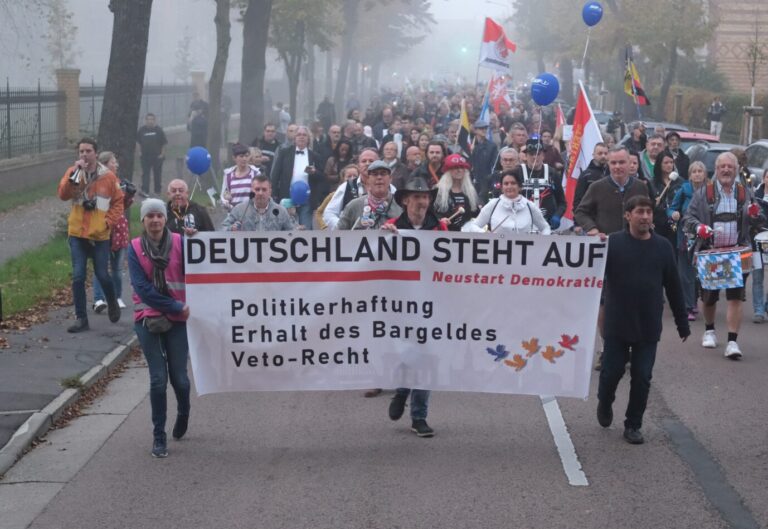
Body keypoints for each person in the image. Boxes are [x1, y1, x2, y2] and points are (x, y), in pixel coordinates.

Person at [596, 195, 690, 445]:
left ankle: (633, 424)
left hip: (648, 323)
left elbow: (673, 285)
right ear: (628, 215)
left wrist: (682, 321)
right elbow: (590, 279)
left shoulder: (662, 247)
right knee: (611, 372)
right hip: (617, 322)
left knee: (642, 375)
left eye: (648, 212)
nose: (645, 217)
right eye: (640, 212)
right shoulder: (613, 244)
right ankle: (604, 401)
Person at [683, 152, 764, 359]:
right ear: (716, 170)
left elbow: (759, 220)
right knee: (709, 296)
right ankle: (709, 330)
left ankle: (732, 342)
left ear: (736, 169)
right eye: (722, 167)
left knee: (736, 297)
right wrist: (699, 226)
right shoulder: (704, 192)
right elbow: (688, 217)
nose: (726, 170)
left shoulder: (745, 192)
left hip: (737, 253)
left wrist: (755, 214)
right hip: (711, 253)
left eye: (730, 166)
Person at [382, 177, 447, 438]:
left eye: (425, 197)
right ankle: (402, 390)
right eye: (416, 197)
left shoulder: (439, 229)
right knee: (406, 353)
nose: (421, 202)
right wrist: (387, 239)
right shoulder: (392, 227)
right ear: (406, 201)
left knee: (427, 356)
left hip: (430, 302)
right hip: (401, 303)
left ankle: (419, 416)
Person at [128, 198, 191, 458]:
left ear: (166, 219)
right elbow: (142, 289)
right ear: (143, 221)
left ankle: (184, 411)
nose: (154, 220)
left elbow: (199, 272)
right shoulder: (134, 248)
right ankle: (159, 436)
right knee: (157, 380)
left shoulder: (180, 243)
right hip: (148, 317)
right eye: (149, 216)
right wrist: (174, 306)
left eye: (159, 216)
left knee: (180, 379)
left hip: (178, 321)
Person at [57, 138, 124, 333]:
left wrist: (107, 222)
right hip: (77, 233)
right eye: (81, 152)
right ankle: (81, 318)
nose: (84, 155)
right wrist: (76, 172)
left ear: (96, 153)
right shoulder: (74, 172)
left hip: (99, 235)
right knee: (78, 276)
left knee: (102, 274)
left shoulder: (108, 177)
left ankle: (111, 301)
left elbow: (118, 202)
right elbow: (63, 194)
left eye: (88, 151)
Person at [92, 152, 135, 314]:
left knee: (117, 268)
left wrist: (129, 195)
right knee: (100, 267)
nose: (116, 165)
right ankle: (98, 299)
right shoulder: (98, 183)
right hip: (103, 230)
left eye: (116, 162)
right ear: (104, 164)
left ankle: (117, 297)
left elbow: (122, 207)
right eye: (113, 162)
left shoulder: (118, 182)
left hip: (120, 230)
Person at [667, 161, 708, 320]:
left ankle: (694, 300)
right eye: (694, 171)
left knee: (699, 274)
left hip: (704, 238)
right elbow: (671, 209)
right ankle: (687, 307)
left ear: (705, 174)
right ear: (690, 175)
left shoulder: (710, 191)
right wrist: (673, 215)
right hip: (685, 237)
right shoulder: (684, 190)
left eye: (700, 171)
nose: (697, 174)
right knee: (685, 274)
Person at [462, 170, 551, 235]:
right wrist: (485, 234)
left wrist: (540, 243)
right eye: (506, 183)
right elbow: (474, 226)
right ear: (501, 187)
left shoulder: (530, 206)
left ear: (520, 187)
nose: (509, 186)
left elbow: (545, 228)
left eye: (513, 183)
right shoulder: (493, 204)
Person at [270, 125, 323, 227]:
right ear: (294, 138)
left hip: (307, 199)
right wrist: (274, 195)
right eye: (299, 134)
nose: (301, 137)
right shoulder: (284, 153)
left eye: (304, 135)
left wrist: (314, 172)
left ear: (308, 139)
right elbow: (275, 175)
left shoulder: (315, 156)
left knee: (306, 229)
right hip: (287, 197)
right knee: (286, 228)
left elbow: (322, 177)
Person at [322, 148, 380, 230]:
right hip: (350, 240)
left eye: (371, 161)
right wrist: (342, 227)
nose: (367, 164)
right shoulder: (346, 186)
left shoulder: (388, 187)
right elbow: (329, 213)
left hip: (379, 238)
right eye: (364, 161)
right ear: (358, 165)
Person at [514, 137, 566, 230]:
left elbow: (562, 202)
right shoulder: (517, 172)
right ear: (526, 156)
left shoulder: (552, 173)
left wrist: (557, 216)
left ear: (543, 155)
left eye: (538, 154)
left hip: (547, 225)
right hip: (521, 226)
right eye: (531, 154)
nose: (535, 157)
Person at [336, 160, 402, 230]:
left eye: (383, 174)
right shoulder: (353, 206)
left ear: (390, 179)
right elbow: (336, 236)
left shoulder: (401, 205)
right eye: (374, 174)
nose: (379, 177)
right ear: (368, 180)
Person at [221, 175, 297, 231]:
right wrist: (231, 229)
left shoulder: (281, 211)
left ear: (270, 192)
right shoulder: (239, 209)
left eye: (264, 190)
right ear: (252, 191)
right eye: (257, 189)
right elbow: (222, 229)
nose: (260, 193)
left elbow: (291, 232)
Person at [431, 153, 480, 231]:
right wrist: (440, 220)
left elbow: (475, 214)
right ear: (448, 171)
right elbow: (430, 213)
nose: (459, 170)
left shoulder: (470, 192)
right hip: (445, 233)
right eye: (455, 167)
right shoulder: (438, 191)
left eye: (462, 167)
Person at [650, 151, 681, 252]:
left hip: (674, 225)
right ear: (659, 164)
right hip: (658, 224)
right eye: (666, 163)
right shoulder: (652, 183)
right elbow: (648, 204)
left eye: (671, 162)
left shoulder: (679, 182)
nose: (669, 165)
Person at [572, 142, 609, 214]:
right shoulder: (586, 175)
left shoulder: (612, 173)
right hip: (590, 216)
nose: (603, 156)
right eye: (600, 153)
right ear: (593, 155)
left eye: (605, 153)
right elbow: (578, 200)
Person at [136, 113, 168, 195]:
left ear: (154, 120)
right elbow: (138, 142)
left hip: (157, 157)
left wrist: (162, 154)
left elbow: (164, 143)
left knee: (157, 174)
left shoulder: (159, 130)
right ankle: (145, 190)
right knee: (145, 174)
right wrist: (139, 152)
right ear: (145, 120)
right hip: (145, 157)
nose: (150, 121)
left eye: (152, 119)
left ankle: (157, 190)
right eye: (148, 119)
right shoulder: (141, 130)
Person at [222, 143, 260, 210]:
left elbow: (260, 193)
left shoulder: (255, 174)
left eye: (246, 156)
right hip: (233, 214)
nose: (244, 159)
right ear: (234, 158)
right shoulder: (228, 175)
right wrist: (226, 202)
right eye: (241, 156)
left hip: (251, 214)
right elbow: (224, 194)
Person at [751, 171, 768, 322]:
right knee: (757, 276)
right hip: (757, 242)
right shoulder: (755, 196)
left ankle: (767, 305)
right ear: (764, 179)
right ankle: (758, 311)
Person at [469, 120, 499, 198]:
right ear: (475, 130)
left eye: (485, 128)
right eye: (481, 128)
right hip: (471, 179)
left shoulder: (492, 146)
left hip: (485, 180)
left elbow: (494, 165)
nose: (484, 130)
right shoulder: (469, 145)